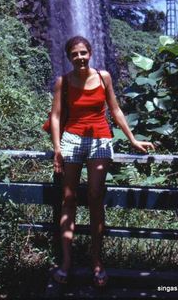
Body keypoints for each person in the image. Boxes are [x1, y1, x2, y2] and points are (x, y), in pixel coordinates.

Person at [50, 36, 155, 287]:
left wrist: (132, 139)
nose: (80, 58)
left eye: (83, 52)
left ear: (91, 52)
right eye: (74, 54)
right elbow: (55, 116)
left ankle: (97, 261)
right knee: (69, 198)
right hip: (72, 141)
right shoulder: (62, 82)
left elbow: (115, 109)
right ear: (68, 57)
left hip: (100, 141)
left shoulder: (104, 77)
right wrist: (57, 148)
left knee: (96, 195)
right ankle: (66, 261)